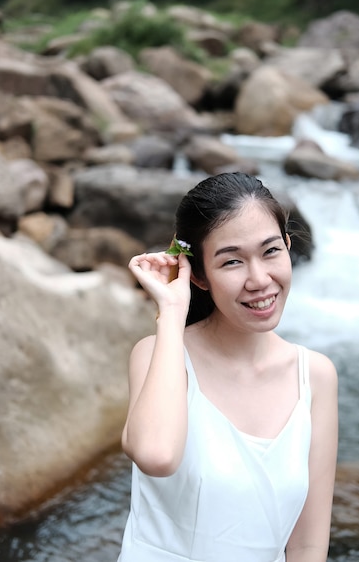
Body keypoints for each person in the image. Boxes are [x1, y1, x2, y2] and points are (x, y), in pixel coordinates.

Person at [118, 172, 338, 562]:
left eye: (271, 251)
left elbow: (307, 545)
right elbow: (156, 454)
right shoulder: (158, 354)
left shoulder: (315, 376)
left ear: (289, 246)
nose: (259, 279)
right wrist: (171, 310)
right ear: (199, 275)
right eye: (232, 261)